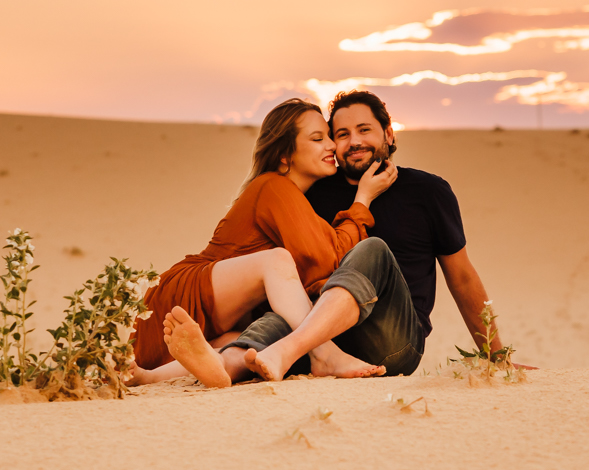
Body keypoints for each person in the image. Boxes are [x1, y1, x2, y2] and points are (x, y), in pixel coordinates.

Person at [129, 98, 424, 388]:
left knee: (243, 342)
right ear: (285, 156)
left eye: (329, 137)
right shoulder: (273, 187)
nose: (332, 145)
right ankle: (326, 354)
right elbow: (327, 260)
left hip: (209, 322)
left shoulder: (299, 200)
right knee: (276, 260)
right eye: (318, 138)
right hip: (190, 291)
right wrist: (363, 200)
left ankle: (148, 375)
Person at [305, 89, 507, 364]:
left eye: (364, 129)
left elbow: (462, 277)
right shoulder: (316, 193)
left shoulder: (428, 191)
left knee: (373, 250)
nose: (354, 141)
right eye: (342, 134)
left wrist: (496, 356)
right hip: (325, 337)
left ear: (389, 133)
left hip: (395, 343)